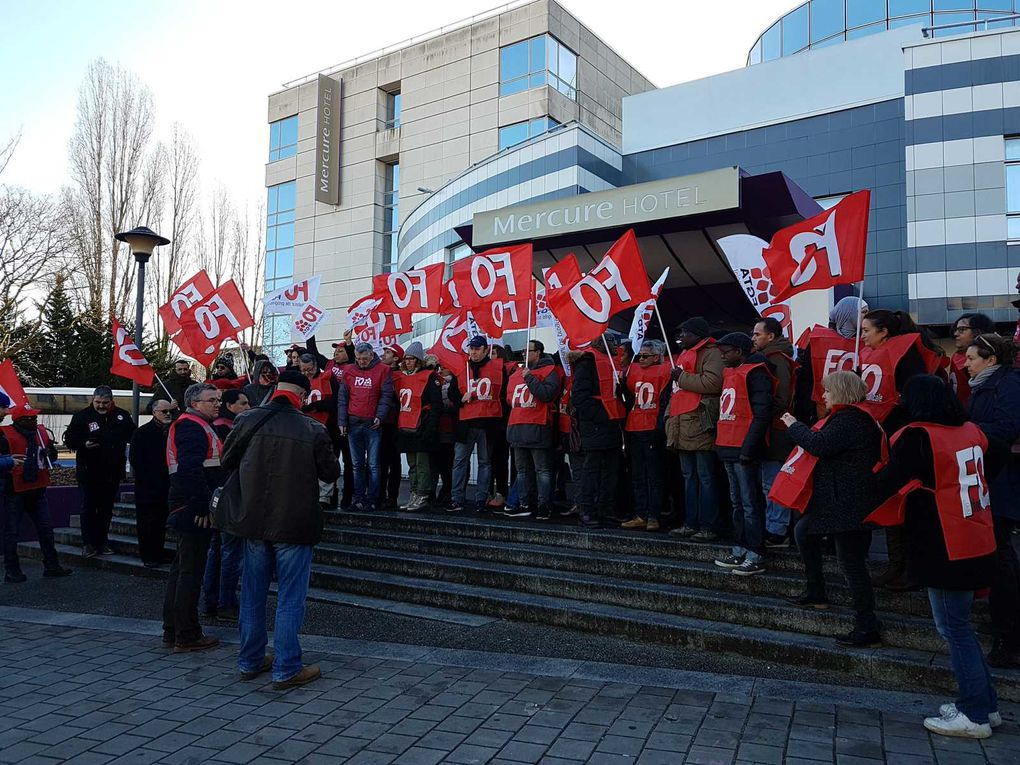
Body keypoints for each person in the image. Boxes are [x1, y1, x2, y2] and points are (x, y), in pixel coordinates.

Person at [871, 376, 1000, 739]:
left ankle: (974, 713)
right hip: (977, 533)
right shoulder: (972, 429)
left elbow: (886, 481)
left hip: (945, 542)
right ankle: (985, 705)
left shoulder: (919, 435)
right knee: (962, 627)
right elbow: (1000, 454)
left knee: (954, 629)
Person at [221, 370, 340, 689]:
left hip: (253, 519)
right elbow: (331, 472)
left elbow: (226, 459)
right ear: (303, 395)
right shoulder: (312, 427)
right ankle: (286, 668)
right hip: (295, 522)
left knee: (252, 593)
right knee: (290, 596)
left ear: (274, 389)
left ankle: (250, 660)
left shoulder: (247, 419)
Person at [779, 371, 885, 646]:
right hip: (839, 500)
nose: (823, 395)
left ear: (841, 392)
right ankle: (816, 592)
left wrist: (793, 425)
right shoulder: (850, 417)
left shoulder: (852, 419)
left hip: (849, 502)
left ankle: (867, 625)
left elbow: (819, 445)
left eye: (827, 391)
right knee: (803, 531)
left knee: (852, 565)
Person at [859, 309, 943, 590]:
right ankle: (896, 566)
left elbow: (915, 397)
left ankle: (914, 569)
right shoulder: (866, 355)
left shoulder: (907, 353)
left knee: (909, 505)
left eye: (867, 330)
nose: (862, 337)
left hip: (906, 438)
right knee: (890, 502)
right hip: (882, 437)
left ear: (884, 332)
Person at [964, 333, 1020, 669]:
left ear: (990, 359)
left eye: (971, 358)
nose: (966, 364)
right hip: (991, 477)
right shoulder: (986, 385)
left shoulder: (1009, 383)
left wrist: (967, 429)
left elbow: (1006, 427)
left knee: (1001, 558)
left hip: (1005, 479)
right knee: (1000, 557)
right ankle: (1006, 623)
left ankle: (1009, 638)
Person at [162, 383, 224, 652]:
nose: (217, 404)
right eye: (212, 400)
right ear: (195, 403)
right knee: (190, 572)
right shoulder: (191, 426)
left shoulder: (194, 424)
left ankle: (173, 629)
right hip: (190, 508)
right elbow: (190, 470)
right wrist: (202, 508)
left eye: (218, 399)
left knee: (181, 570)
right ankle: (186, 634)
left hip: (185, 505)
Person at [712, 332, 774, 576]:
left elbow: (762, 414)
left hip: (743, 447)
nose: (723, 356)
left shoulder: (756, 372)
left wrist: (749, 447)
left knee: (750, 503)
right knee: (737, 502)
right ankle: (740, 548)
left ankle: (755, 552)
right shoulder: (730, 372)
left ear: (740, 351)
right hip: (728, 444)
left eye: (727, 352)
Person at [666, 318, 723, 541]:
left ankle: (708, 525)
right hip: (682, 421)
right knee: (689, 477)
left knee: (705, 477)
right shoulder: (684, 354)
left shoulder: (712, 353)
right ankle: (691, 523)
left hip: (700, 422)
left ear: (697, 334)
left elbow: (712, 383)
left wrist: (681, 377)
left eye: (685, 333)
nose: (680, 336)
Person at [1, 406, 72, 583]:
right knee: (12, 532)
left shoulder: (41, 434)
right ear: (18, 420)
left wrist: (51, 453)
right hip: (14, 491)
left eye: (34, 418)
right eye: (29, 418)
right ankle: (12, 570)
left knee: (46, 529)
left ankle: (52, 565)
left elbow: (52, 456)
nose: (33, 421)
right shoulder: (4, 437)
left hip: (37, 490)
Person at [64, 386, 136, 558]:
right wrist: (84, 444)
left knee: (106, 509)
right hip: (89, 471)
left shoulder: (122, 416)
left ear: (111, 401)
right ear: (92, 400)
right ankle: (87, 543)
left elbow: (134, 437)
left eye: (105, 402)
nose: (101, 406)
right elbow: (70, 440)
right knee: (88, 508)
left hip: (112, 471)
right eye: (98, 402)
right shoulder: (82, 416)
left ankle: (102, 541)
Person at [568, 333, 626, 528]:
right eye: (611, 342)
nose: (615, 345)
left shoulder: (613, 361)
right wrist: (601, 415)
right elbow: (579, 397)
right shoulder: (587, 362)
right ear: (600, 343)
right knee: (591, 469)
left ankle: (606, 509)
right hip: (596, 422)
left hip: (612, 421)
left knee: (612, 468)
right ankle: (587, 509)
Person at [203, 390, 250, 620]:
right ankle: (225, 603)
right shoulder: (226, 429)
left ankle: (212, 601)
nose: (248, 406)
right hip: (228, 496)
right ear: (231, 406)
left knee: (217, 551)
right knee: (229, 551)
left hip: (218, 496)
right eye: (243, 403)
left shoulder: (215, 427)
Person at [751, 317, 797, 548]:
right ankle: (773, 526)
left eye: (757, 334)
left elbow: (783, 397)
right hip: (771, 427)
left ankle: (777, 530)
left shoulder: (777, 360)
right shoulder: (771, 357)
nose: (753, 338)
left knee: (773, 481)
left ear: (771, 336)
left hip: (776, 429)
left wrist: (761, 413)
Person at [506, 340, 563, 521]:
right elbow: (510, 399)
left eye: (528, 351)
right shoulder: (516, 374)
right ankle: (524, 503)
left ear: (538, 352)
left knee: (542, 470)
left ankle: (543, 505)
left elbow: (547, 395)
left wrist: (529, 378)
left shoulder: (549, 371)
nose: (524, 354)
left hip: (538, 426)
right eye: (523, 351)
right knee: (522, 470)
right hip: (517, 426)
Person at [447, 336, 505, 513]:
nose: (473, 352)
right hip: (465, 423)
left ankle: (481, 498)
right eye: (471, 348)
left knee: (485, 462)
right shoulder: (462, 368)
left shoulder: (496, 367)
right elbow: (451, 393)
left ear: (485, 350)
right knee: (459, 462)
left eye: (477, 348)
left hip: (488, 424)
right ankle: (456, 498)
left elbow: (503, 393)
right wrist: (460, 399)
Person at [619, 339, 671, 531]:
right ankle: (641, 513)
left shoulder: (666, 371)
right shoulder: (633, 371)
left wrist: (660, 427)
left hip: (652, 427)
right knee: (638, 474)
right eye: (640, 355)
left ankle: (653, 515)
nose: (641, 358)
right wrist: (622, 388)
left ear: (657, 356)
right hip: (634, 425)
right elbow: (629, 397)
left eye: (645, 356)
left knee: (654, 474)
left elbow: (665, 401)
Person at [794, 296, 869, 425]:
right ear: (848, 313)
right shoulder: (818, 341)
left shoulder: (869, 342)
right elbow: (806, 380)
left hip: (856, 411)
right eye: (863, 312)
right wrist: (809, 410)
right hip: (821, 410)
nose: (867, 317)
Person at [337, 343, 393, 512]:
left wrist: (380, 416)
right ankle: (358, 498)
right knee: (356, 464)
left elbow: (386, 396)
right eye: (358, 359)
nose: (361, 362)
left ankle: (373, 499)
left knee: (374, 464)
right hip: (354, 422)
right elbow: (343, 398)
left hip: (372, 422)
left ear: (371, 355)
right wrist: (342, 421)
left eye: (364, 358)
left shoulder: (383, 370)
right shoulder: (348, 370)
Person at [129, 398, 177, 568]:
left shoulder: (172, 431)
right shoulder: (142, 433)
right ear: (154, 412)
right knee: (147, 522)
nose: (168, 414)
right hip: (148, 487)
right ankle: (148, 555)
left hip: (166, 485)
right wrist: (150, 478)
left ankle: (158, 552)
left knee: (160, 521)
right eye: (164, 411)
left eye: (170, 411)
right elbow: (136, 459)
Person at [395, 342, 442, 512]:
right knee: (412, 464)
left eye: (412, 359)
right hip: (406, 426)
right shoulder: (401, 377)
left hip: (422, 426)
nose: (408, 362)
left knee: (422, 464)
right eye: (406, 359)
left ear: (418, 360)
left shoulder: (429, 377)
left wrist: (430, 427)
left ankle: (423, 494)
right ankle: (414, 493)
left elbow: (437, 405)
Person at [299, 353, 337, 509]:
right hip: (305, 426)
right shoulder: (299, 381)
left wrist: (316, 406)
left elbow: (335, 401)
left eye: (309, 369)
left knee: (324, 461)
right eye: (304, 370)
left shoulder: (327, 378)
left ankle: (325, 496)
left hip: (325, 425)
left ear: (315, 366)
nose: (307, 373)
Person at [378, 343, 404, 510]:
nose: (384, 355)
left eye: (388, 352)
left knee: (393, 461)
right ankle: (378, 494)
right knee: (378, 461)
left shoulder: (400, 376)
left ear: (396, 358)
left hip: (394, 423)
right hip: (379, 422)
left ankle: (392, 496)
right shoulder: (379, 373)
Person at [949, 314, 995, 404]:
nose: (955, 334)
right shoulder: (956, 355)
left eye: (962, 330)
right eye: (956, 329)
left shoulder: (986, 360)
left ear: (978, 331)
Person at [431, 365, 458, 506]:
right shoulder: (437, 382)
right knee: (440, 462)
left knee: (448, 461)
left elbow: (451, 404)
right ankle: (442, 490)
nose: (441, 370)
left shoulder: (454, 383)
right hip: (438, 427)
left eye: (445, 367)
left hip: (450, 427)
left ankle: (449, 490)